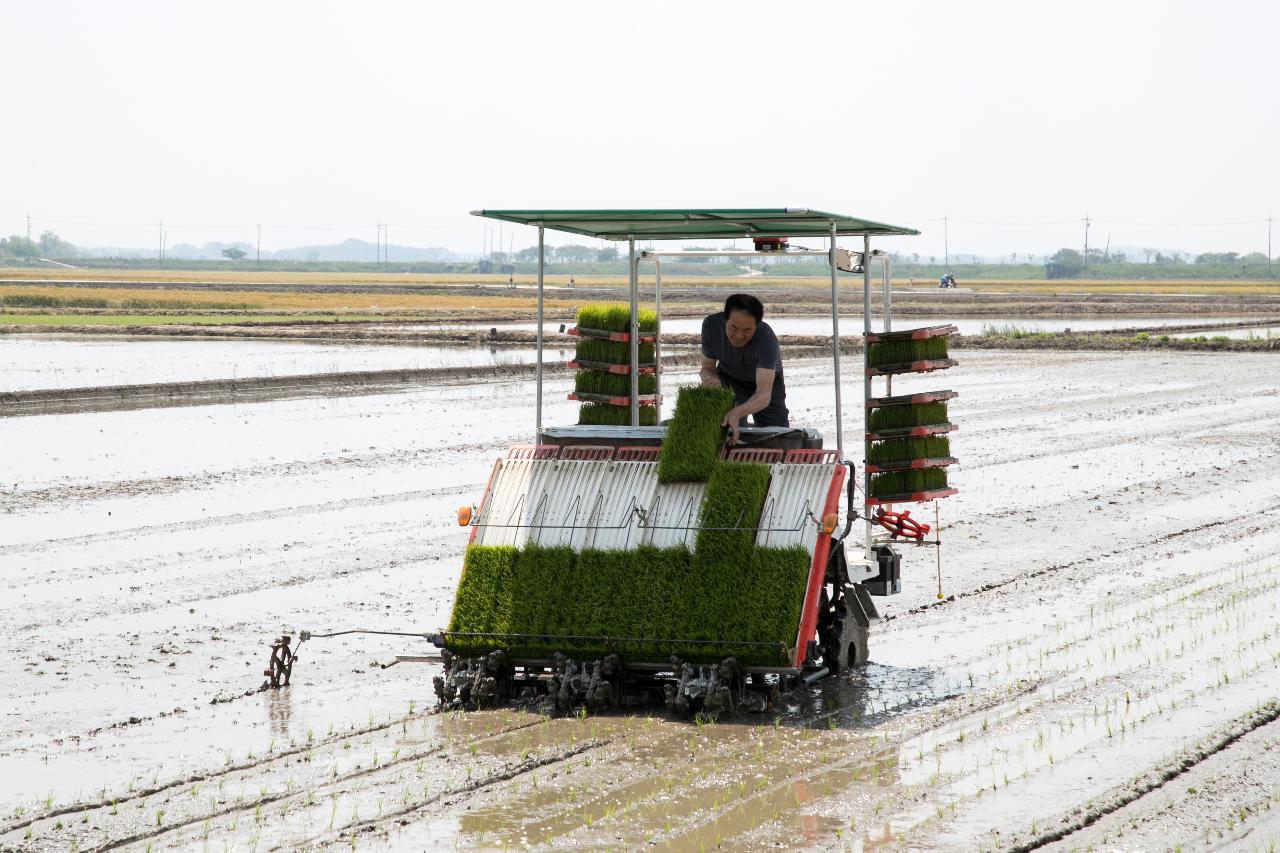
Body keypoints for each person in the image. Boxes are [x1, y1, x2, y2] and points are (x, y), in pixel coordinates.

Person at [700, 293, 788, 444]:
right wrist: (710, 378)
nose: (739, 336)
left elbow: (764, 394)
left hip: (766, 384)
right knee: (727, 431)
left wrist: (738, 411)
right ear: (725, 320)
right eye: (733, 328)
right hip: (729, 378)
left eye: (747, 330)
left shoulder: (766, 338)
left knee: (776, 436)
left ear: (757, 325)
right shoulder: (711, 326)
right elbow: (707, 368)